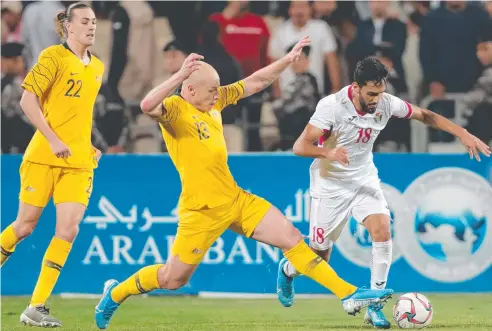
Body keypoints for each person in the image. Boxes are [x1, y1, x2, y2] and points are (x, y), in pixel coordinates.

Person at [94, 37, 394, 330]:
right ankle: (115, 293)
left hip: (235, 200)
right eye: (211, 90)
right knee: (174, 279)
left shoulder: (212, 102)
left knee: (291, 238)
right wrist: (180, 73)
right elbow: (147, 104)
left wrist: (286, 61)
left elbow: (254, 82)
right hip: (202, 210)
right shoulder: (175, 109)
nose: (217, 95)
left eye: (217, 89)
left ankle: (348, 293)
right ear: (190, 89)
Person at [276, 57, 491, 329]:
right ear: (355, 87)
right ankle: (288, 269)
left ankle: (374, 306)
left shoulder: (387, 103)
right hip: (330, 183)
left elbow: (426, 115)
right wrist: (328, 151)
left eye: (380, 92)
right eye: (371, 93)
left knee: (382, 231)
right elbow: (299, 146)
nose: (377, 99)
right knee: (319, 256)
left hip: (364, 178)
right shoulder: (331, 107)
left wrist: (463, 134)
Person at [0, 3, 104, 327]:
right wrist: (54, 139)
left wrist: (86, 145)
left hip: (78, 163)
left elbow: (78, 116)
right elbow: (27, 100)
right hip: (43, 156)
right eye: (85, 21)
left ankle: (36, 306)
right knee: (25, 226)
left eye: (94, 21)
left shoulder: (97, 67)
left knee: (68, 229)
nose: (91, 27)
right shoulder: (52, 57)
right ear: (69, 26)